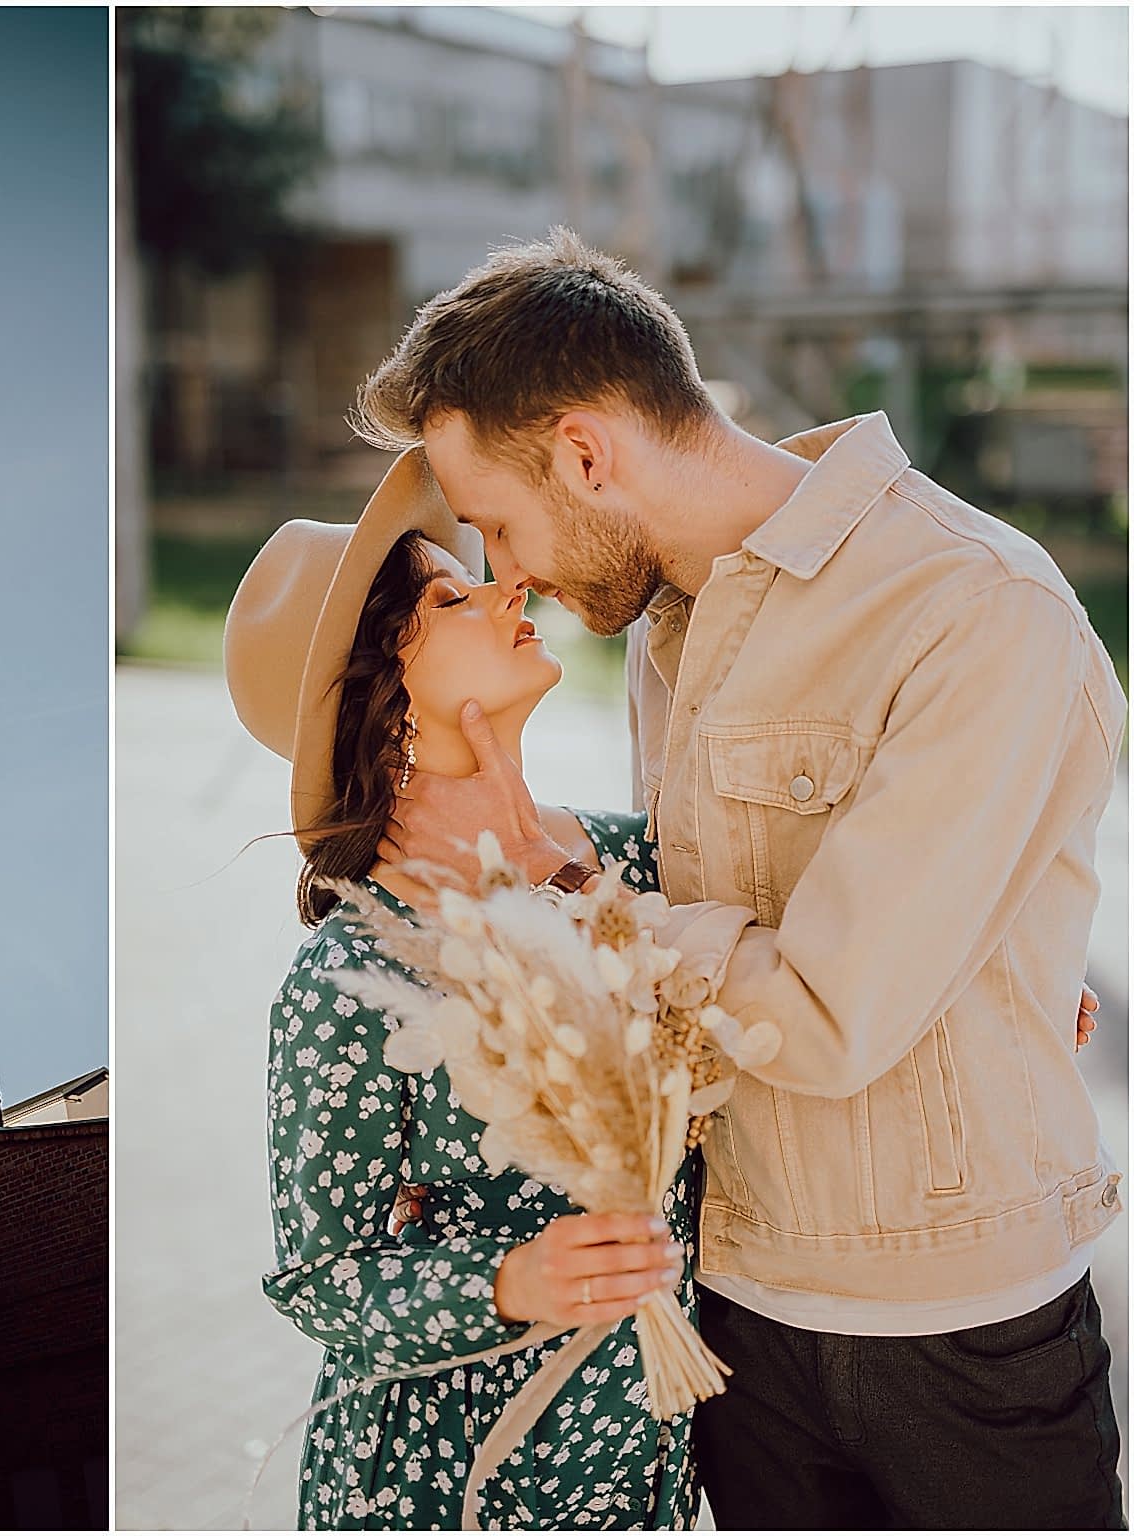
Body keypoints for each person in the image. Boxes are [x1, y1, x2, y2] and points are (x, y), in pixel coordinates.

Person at [356, 228, 1127, 1529]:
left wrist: (590, 932)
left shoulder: (975, 612)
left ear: (589, 454)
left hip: (959, 1333)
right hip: (747, 1329)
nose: (507, 573)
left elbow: (823, 1014)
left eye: (496, 521)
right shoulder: (671, 627)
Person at [224, 450, 700, 1528]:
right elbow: (325, 1282)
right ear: (383, 701)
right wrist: (512, 1279)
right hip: (446, 1480)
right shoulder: (349, 974)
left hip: (643, 1457)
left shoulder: (620, 857)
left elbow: (782, 968)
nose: (506, 587)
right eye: (450, 596)